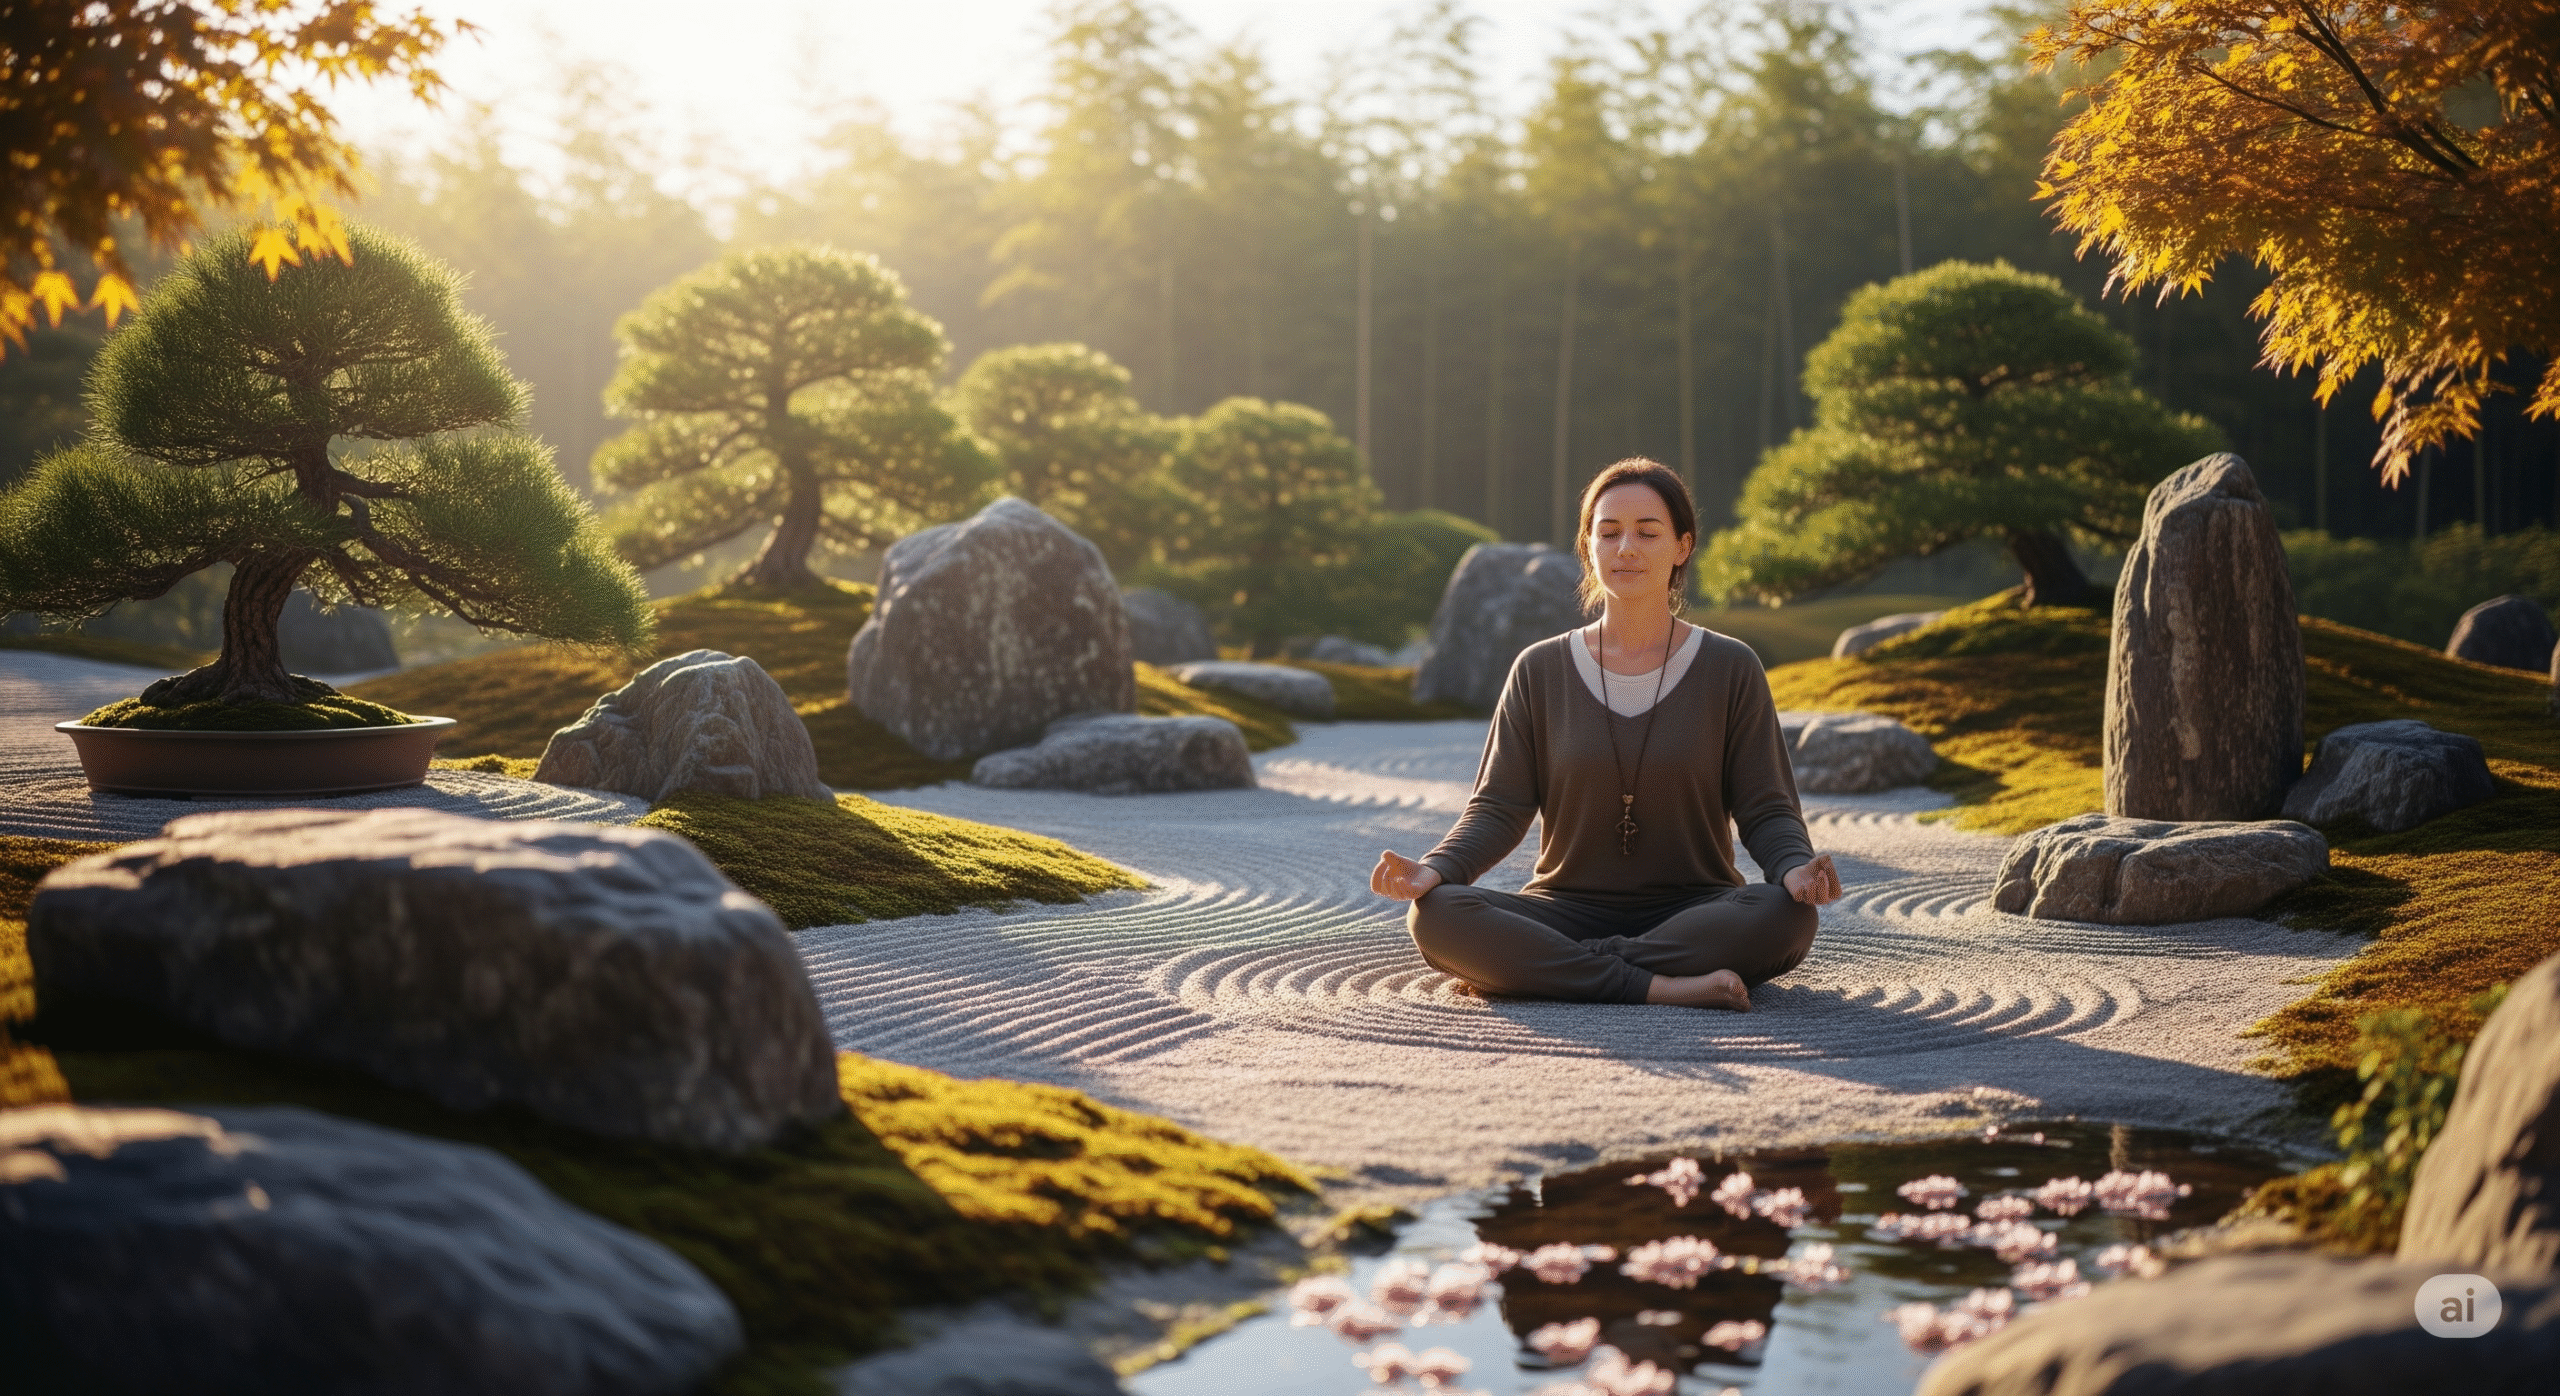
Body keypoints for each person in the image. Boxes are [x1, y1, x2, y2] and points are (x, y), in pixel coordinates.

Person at [1370, 458, 1842, 1012]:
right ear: (1588, 545)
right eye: (1609, 532)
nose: (1626, 549)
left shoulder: (1730, 667)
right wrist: (1435, 868)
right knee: (1436, 913)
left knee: (1784, 916)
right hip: (1563, 907)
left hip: (1697, 908)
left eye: (1648, 532)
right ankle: (1661, 986)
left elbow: (1766, 807)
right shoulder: (1539, 669)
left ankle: (1557, 967)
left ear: (1682, 546)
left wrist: (1793, 871)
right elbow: (1497, 809)